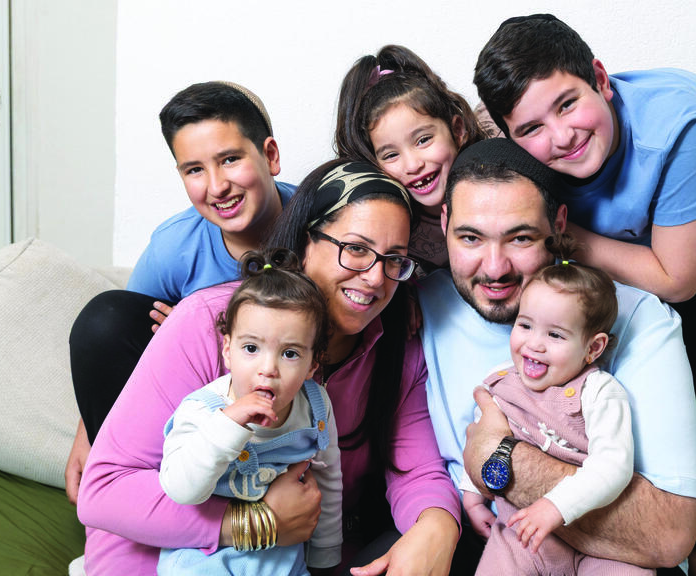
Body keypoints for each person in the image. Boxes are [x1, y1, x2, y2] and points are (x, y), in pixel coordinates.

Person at [473, 15, 696, 574]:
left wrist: (569, 238)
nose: (561, 136)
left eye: (568, 104)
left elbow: (677, 278)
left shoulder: (687, 129)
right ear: (507, 132)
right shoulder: (518, 141)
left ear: (601, 78)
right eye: (532, 128)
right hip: (607, 232)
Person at [77, 160, 460, 576]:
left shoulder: (395, 349)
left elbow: (416, 470)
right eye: (355, 249)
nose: (374, 277)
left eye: (393, 260)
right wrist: (258, 522)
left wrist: (439, 524)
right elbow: (104, 492)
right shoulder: (212, 323)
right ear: (307, 240)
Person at [417, 138, 696, 573]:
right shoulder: (417, 305)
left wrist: (497, 456)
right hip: (506, 550)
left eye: (521, 237)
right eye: (471, 237)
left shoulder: (638, 320)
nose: (494, 268)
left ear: (558, 224)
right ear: (444, 223)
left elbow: (666, 536)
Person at [65, 81, 296, 502]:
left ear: (270, 155)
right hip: (195, 421)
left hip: (285, 405)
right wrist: (90, 433)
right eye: (194, 170)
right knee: (105, 317)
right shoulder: (175, 244)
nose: (216, 186)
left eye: (229, 160)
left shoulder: (320, 226)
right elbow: (114, 344)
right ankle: (135, 501)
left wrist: (197, 331)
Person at [460, 235, 650, 575]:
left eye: (556, 335)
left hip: (600, 541)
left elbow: (614, 467)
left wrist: (555, 506)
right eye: (525, 325)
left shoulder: (599, 392)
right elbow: (478, 440)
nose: (534, 344)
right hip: (521, 536)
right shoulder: (500, 383)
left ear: (593, 348)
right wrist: (472, 496)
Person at [158, 248, 341, 575]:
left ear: (313, 364)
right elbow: (181, 489)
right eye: (251, 348)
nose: (267, 369)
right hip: (206, 559)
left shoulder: (315, 406)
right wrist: (228, 424)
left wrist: (325, 558)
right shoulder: (203, 410)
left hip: (282, 561)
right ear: (227, 350)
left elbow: (327, 479)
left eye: (289, 353)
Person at [335, 44, 486, 271]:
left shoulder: (494, 181)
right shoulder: (394, 232)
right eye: (391, 155)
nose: (413, 165)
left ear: (457, 130)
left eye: (423, 140)